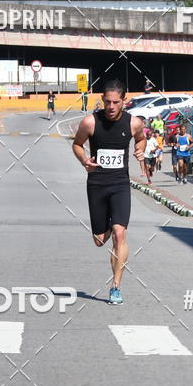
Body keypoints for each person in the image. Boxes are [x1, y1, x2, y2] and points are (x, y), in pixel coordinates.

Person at [72, 80, 146, 305]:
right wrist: (84, 159)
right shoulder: (90, 122)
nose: (111, 106)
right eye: (107, 102)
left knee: (120, 234)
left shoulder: (133, 123)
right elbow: (77, 144)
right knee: (99, 240)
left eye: (116, 102)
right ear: (102, 100)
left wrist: (140, 151)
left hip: (120, 184)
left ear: (124, 101)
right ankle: (103, 232)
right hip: (97, 184)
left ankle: (116, 286)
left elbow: (141, 139)